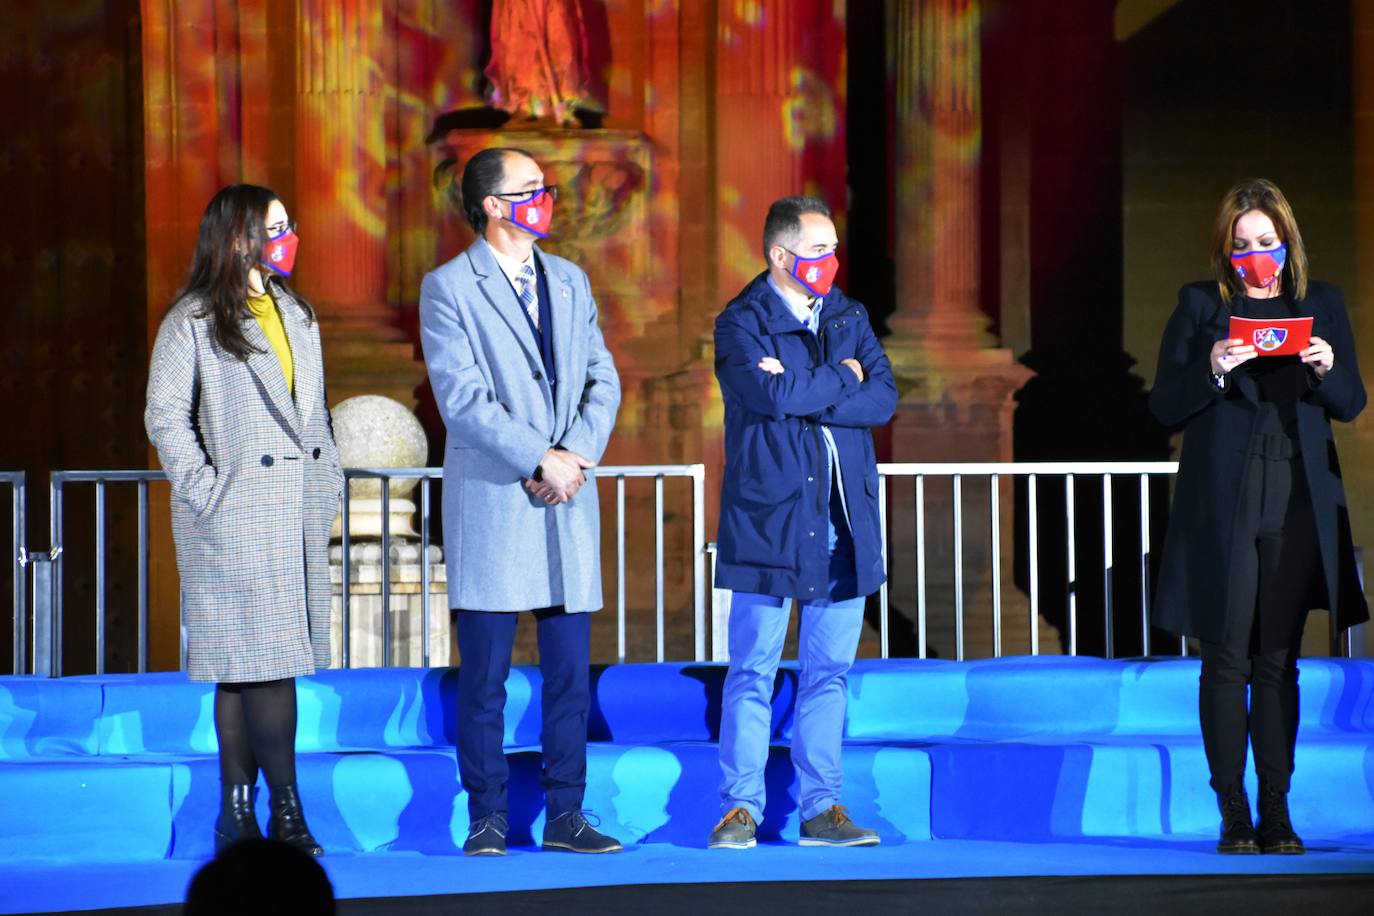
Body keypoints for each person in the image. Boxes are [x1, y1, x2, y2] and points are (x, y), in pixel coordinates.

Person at [1149, 178, 1368, 855]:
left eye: (1265, 242)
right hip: (1226, 499)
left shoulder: (1320, 304)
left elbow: (1351, 401)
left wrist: (1327, 366)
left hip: (1299, 496)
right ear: (1226, 250)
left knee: (1278, 661)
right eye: (1241, 245)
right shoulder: (1200, 306)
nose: (1255, 255)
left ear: (1287, 242)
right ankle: (1234, 814)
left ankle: (1277, 811)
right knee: (1226, 659)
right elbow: (1164, 406)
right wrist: (1213, 367)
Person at [419, 147, 622, 856]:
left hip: (565, 499)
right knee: (486, 680)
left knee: (570, 676)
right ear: (493, 206)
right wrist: (539, 456)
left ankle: (568, 814)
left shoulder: (569, 279)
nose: (547, 198)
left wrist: (574, 457)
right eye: (531, 189)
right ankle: (489, 819)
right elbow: (463, 399)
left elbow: (603, 377)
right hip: (499, 498)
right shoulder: (449, 287)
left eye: (547, 186)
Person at [146, 185, 341, 856]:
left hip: (294, 511)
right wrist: (207, 490)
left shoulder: (297, 311)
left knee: (244, 666)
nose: (290, 236)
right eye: (275, 226)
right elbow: (165, 415)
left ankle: (236, 812)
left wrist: (329, 486)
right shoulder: (194, 320)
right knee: (268, 666)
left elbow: (313, 412)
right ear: (237, 239)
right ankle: (287, 809)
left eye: (290, 223)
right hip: (234, 516)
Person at [709, 196, 897, 849]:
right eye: (816, 252)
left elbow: (882, 397)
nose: (829, 262)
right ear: (780, 256)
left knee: (828, 674)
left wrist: (815, 384)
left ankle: (823, 809)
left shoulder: (848, 314)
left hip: (844, 520)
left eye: (832, 249)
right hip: (770, 522)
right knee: (753, 670)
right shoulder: (741, 324)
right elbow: (770, 396)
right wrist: (837, 378)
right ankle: (740, 809)